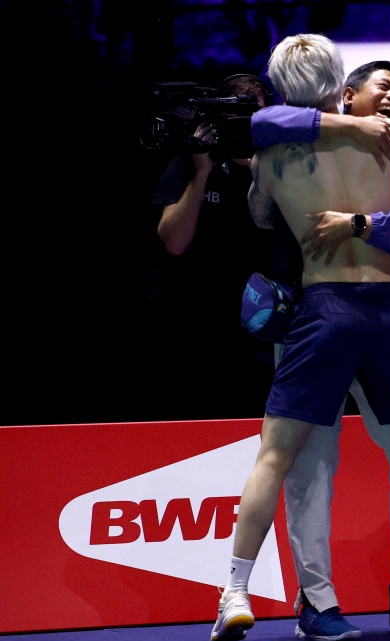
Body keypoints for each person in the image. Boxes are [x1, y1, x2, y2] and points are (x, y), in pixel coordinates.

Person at [211, 34, 390, 641]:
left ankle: (235, 593)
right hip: (378, 310)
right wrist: (365, 138)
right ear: (344, 85)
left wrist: (347, 212)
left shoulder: (270, 145)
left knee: (283, 458)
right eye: (383, 87)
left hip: (326, 310)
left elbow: (265, 207)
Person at [149, 74, 275, 420]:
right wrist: (201, 172)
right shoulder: (191, 162)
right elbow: (174, 243)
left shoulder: (281, 168)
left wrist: (264, 172)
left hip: (254, 324)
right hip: (187, 320)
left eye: (253, 103)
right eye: (235, 103)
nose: (244, 113)